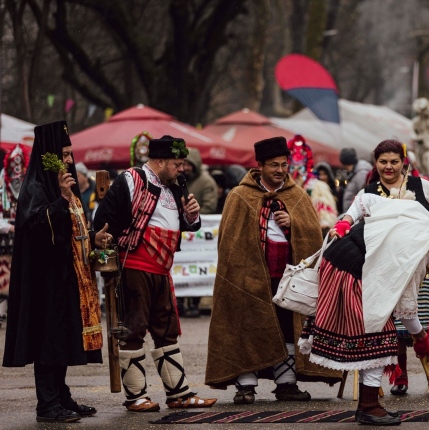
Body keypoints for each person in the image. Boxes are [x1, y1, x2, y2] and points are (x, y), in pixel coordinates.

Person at [310, 170, 429, 425]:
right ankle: (369, 406)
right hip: (349, 269)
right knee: (377, 335)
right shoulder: (421, 242)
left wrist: (348, 219)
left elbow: (366, 202)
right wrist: (421, 337)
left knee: (376, 333)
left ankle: (367, 405)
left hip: (347, 263)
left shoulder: (417, 213)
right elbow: (405, 307)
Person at [205, 137, 341, 403]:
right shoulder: (240, 196)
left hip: (286, 276)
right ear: (260, 166)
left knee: (287, 326)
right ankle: (246, 386)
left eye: (284, 165)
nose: (280, 170)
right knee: (248, 326)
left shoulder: (297, 196)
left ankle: (286, 384)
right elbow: (230, 242)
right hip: (248, 276)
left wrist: (293, 224)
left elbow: (313, 236)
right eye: (273, 165)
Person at [93, 135, 216, 412]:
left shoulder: (172, 188)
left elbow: (185, 226)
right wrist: (103, 245)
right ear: (160, 161)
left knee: (166, 331)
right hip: (135, 266)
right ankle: (136, 396)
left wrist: (192, 216)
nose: (181, 169)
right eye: (177, 163)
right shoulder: (132, 180)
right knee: (134, 329)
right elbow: (104, 220)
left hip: (162, 270)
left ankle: (178, 394)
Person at [3, 121, 112, 422]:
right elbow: (38, 227)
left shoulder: (63, 187)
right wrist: (62, 200)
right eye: (62, 154)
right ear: (48, 154)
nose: (67, 159)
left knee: (63, 337)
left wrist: (93, 237)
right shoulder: (36, 188)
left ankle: (61, 395)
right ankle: (47, 404)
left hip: (67, 277)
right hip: (45, 281)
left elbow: (72, 228)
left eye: (69, 153)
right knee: (47, 339)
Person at [336, 140, 429, 396]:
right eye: (383, 162)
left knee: (422, 324)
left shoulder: (421, 186)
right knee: (392, 326)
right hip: (383, 268)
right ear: (376, 163)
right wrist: (343, 224)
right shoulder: (369, 191)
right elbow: (351, 214)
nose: (388, 167)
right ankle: (401, 377)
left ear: (403, 162)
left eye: (394, 161)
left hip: (420, 269)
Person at [180, 147, 218, 318]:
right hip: (184, 233)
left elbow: (210, 206)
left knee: (196, 264)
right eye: (184, 164)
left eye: (189, 164)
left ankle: (194, 302)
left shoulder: (207, 182)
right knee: (181, 264)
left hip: (200, 233)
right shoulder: (180, 181)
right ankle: (180, 301)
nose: (186, 168)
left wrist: (195, 216)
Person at [307, 162, 339, 234]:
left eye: (325, 174)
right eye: (320, 174)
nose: (322, 177)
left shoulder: (337, 191)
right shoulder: (311, 191)